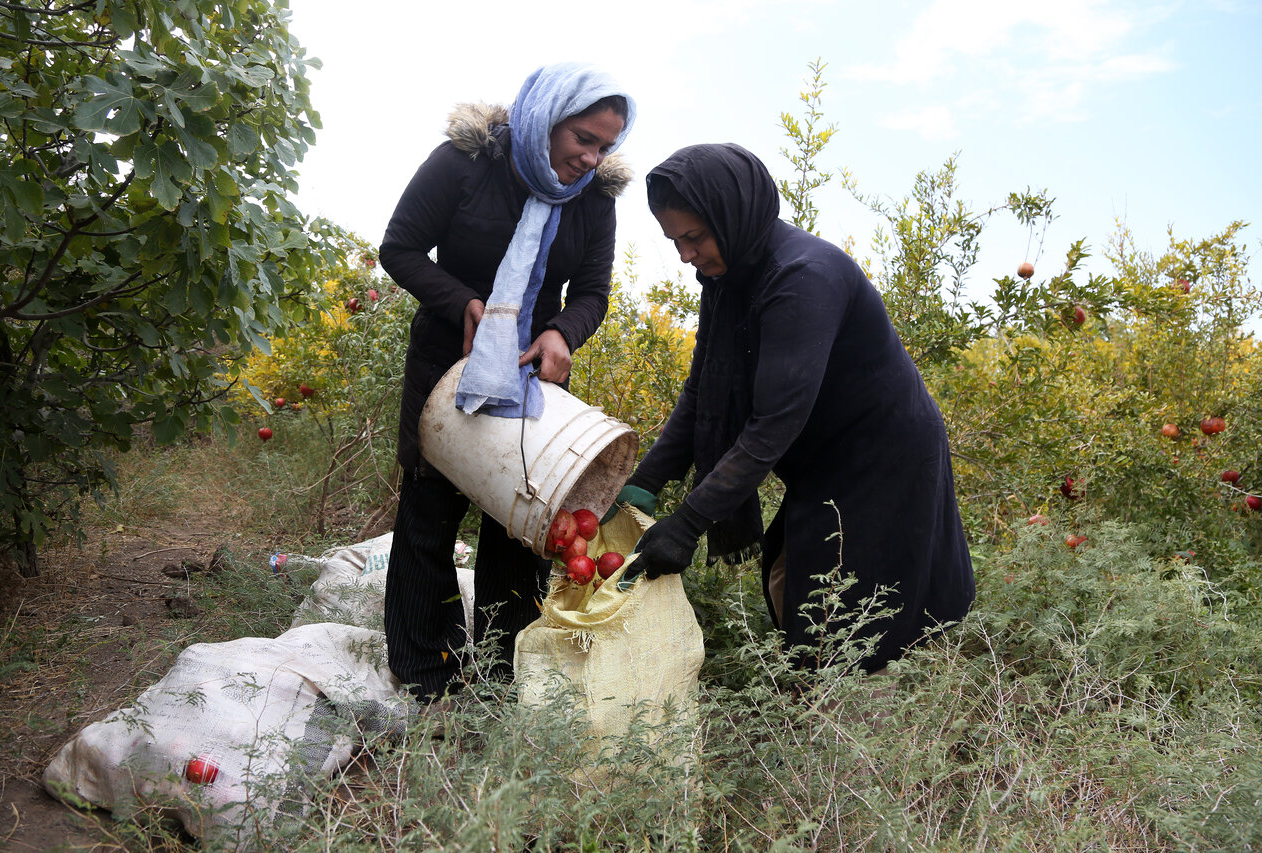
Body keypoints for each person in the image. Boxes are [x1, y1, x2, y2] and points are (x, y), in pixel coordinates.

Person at [619, 143, 974, 675]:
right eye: (675, 242)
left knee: (851, 601)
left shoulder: (802, 278)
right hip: (822, 457)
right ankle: (822, 706)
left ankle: (861, 725)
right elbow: (703, 393)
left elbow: (774, 422)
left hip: (881, 456)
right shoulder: (727, 276)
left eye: (694, 237)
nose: (686, 255)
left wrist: (688, 522)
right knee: (796, 581)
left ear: (732, 215)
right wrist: (644, 483)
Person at [379, 63, 636, 704]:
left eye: (604, 146)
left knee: (520, 520)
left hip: (530, 378)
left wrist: (562, 333)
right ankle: (427, 677)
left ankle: (500, 679)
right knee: (429, 518)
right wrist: (461, 302)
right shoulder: (465, 164)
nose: (591, 156)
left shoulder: (594, 200)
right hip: (449, 365)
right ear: (547, 118)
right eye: (582, 137)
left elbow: (594, 292)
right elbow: (401, 247)